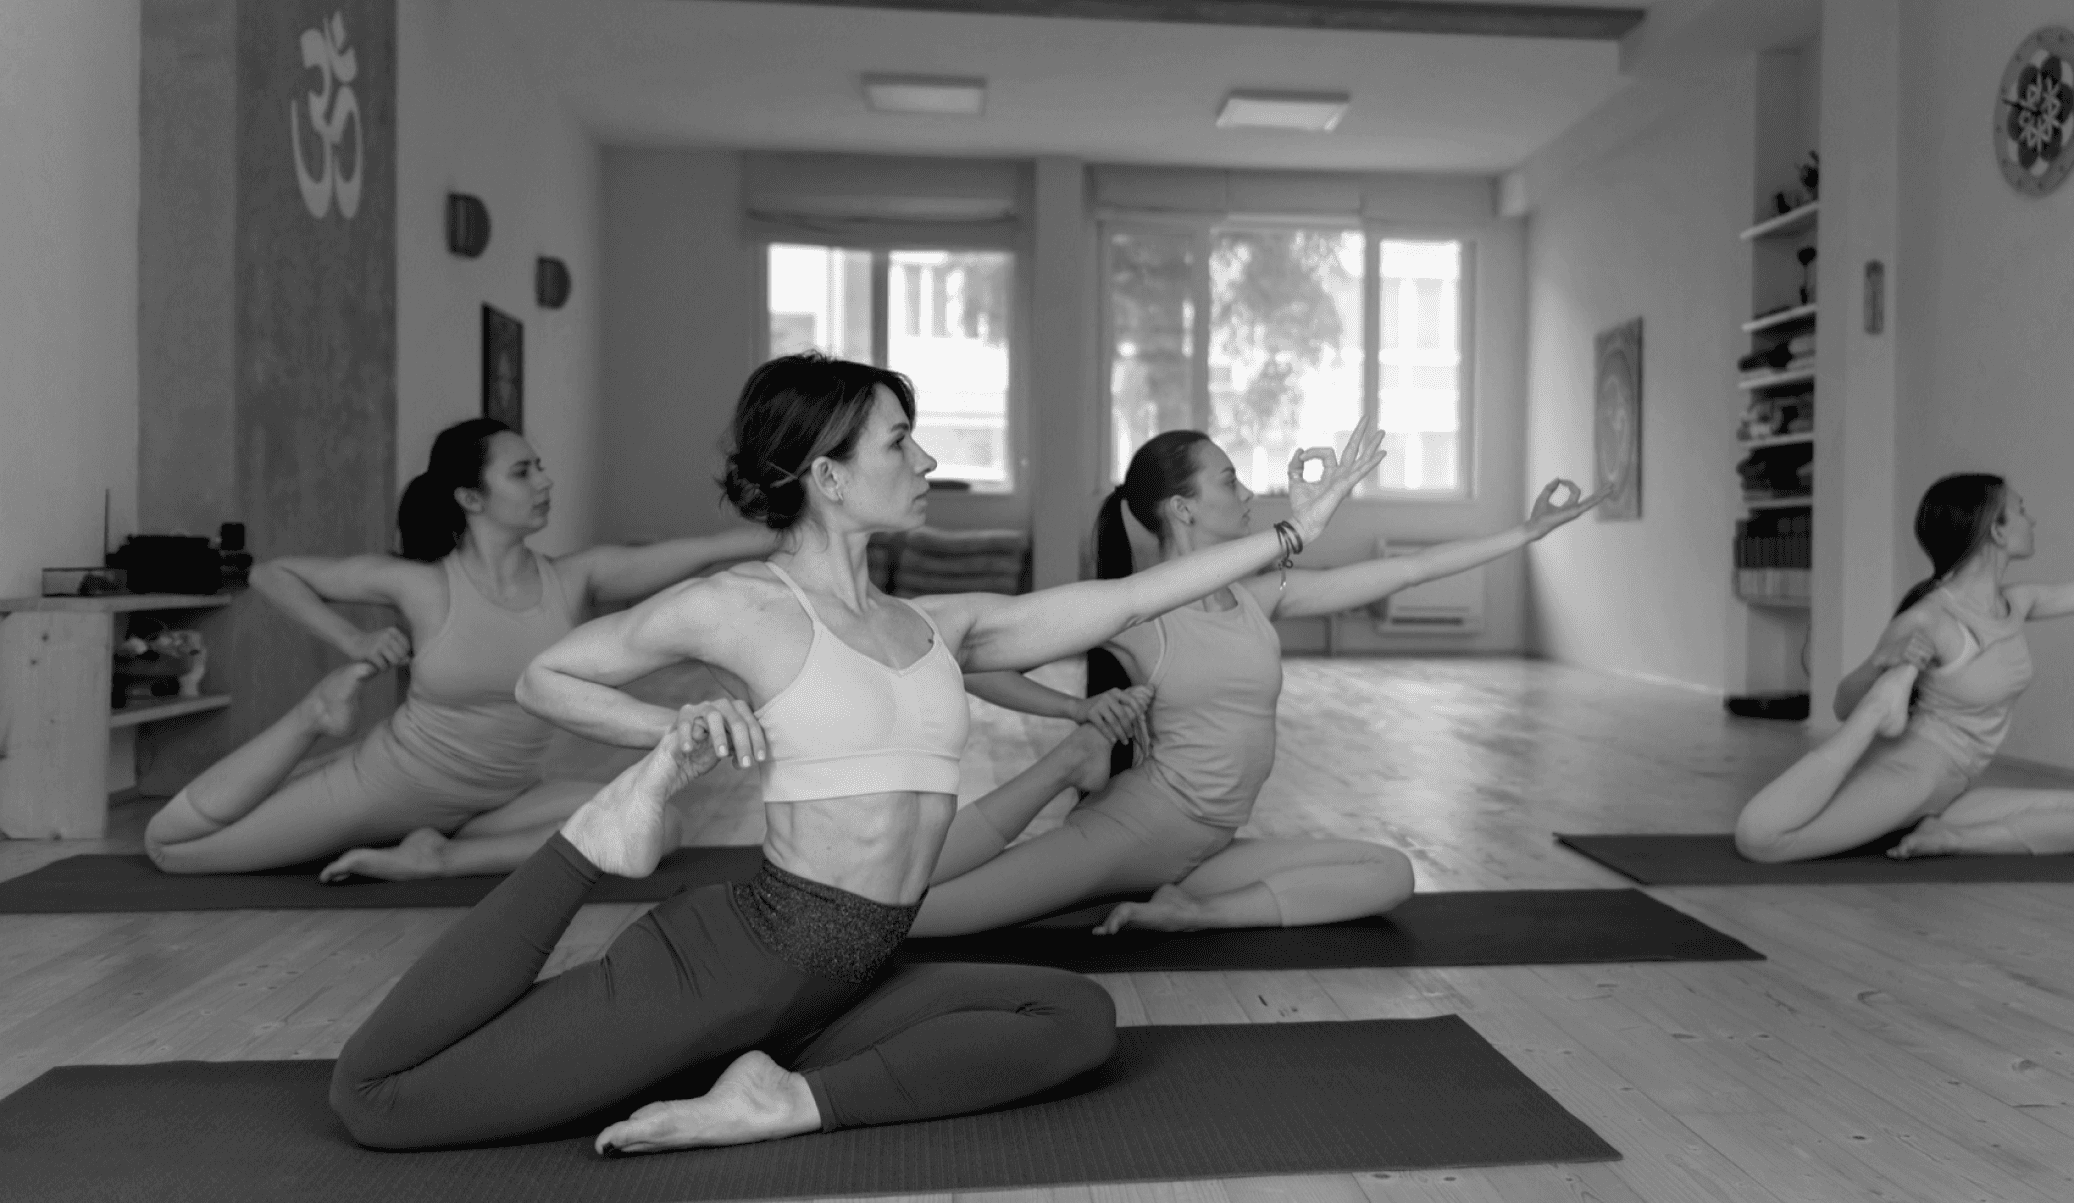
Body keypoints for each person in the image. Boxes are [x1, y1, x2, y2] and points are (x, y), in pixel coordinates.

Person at [327, 355, 1386, 1152]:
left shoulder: (937, 626)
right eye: (899, 443)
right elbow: (547, 676)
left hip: (848, 975)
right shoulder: (743, 606)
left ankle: (787, 1098)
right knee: (380, 1101)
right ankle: (587, 844)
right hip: (729, 966)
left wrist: (1293, 533)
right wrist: (669, 735)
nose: (926, 461)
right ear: (828, 476)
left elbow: (1125, 598)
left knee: (1074, 1016)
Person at [903, 429, 1612, 941]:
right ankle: (1060, 775)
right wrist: (1075, 710)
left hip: (1205, 849)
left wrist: (1526, 533)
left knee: (1388, 872)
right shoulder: (1137, 611)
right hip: (1129, 834)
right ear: (1182, 508)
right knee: (918, 918)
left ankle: (1192, 914)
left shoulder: (1257, 596)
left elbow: (1408, 571)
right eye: (1228, 480)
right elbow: (975, 661)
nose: (1247, 494)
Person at [143, 419, 778, 878]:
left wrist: (802, 521)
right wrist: (353, 639)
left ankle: (443, 859)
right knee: (173, 849)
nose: (544, 480)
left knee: (662, 825)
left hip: (501, 802)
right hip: (390, 785)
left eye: (539, 466)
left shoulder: (574, 579)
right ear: (471, 498)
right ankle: (313, 717)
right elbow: (272, 574)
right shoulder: (422, 584)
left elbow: (709, 550)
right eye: (523, 471)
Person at [1732, 471, 2074, 863]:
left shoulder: (2017, 602)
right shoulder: (1931, 618)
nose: (2033, 519)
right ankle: (1885, 715)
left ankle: (1950, 839)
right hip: (1910, 774)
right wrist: (1877, 667)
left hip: (1954, 791)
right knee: (1762, 840)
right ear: (1997, 533)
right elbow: (1841, 704)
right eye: (2021, 510)